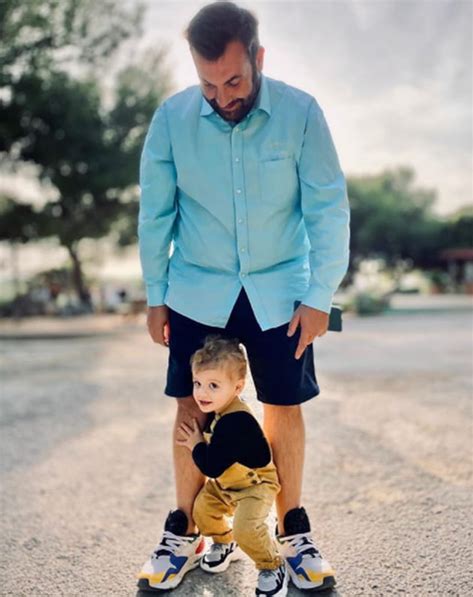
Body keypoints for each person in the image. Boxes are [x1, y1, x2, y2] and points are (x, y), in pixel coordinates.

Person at [137, 1, 350, 593]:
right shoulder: (172, 119)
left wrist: (318, 295)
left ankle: (293, 533)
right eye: (208, 83)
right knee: (188, 405)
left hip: (282, 288)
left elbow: (328, 208)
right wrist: (157, 296)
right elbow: (156, 215)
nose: (221, 96)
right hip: (195, 287)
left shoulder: (301, 113)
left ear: (258, 58)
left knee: (284, 406)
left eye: (233, 80)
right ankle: (185, 532)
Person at [175, 335, 287, 596]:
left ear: (237, 388)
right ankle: (225, 543)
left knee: (246, 529)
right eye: (197, 383)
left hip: (255, 485)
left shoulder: (235, 422)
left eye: (213, 385)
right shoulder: (221, 410)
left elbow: (211, 467)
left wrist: (195, 444)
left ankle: (271, 564)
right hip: (227, 484)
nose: (202, 392)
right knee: (202, 510)